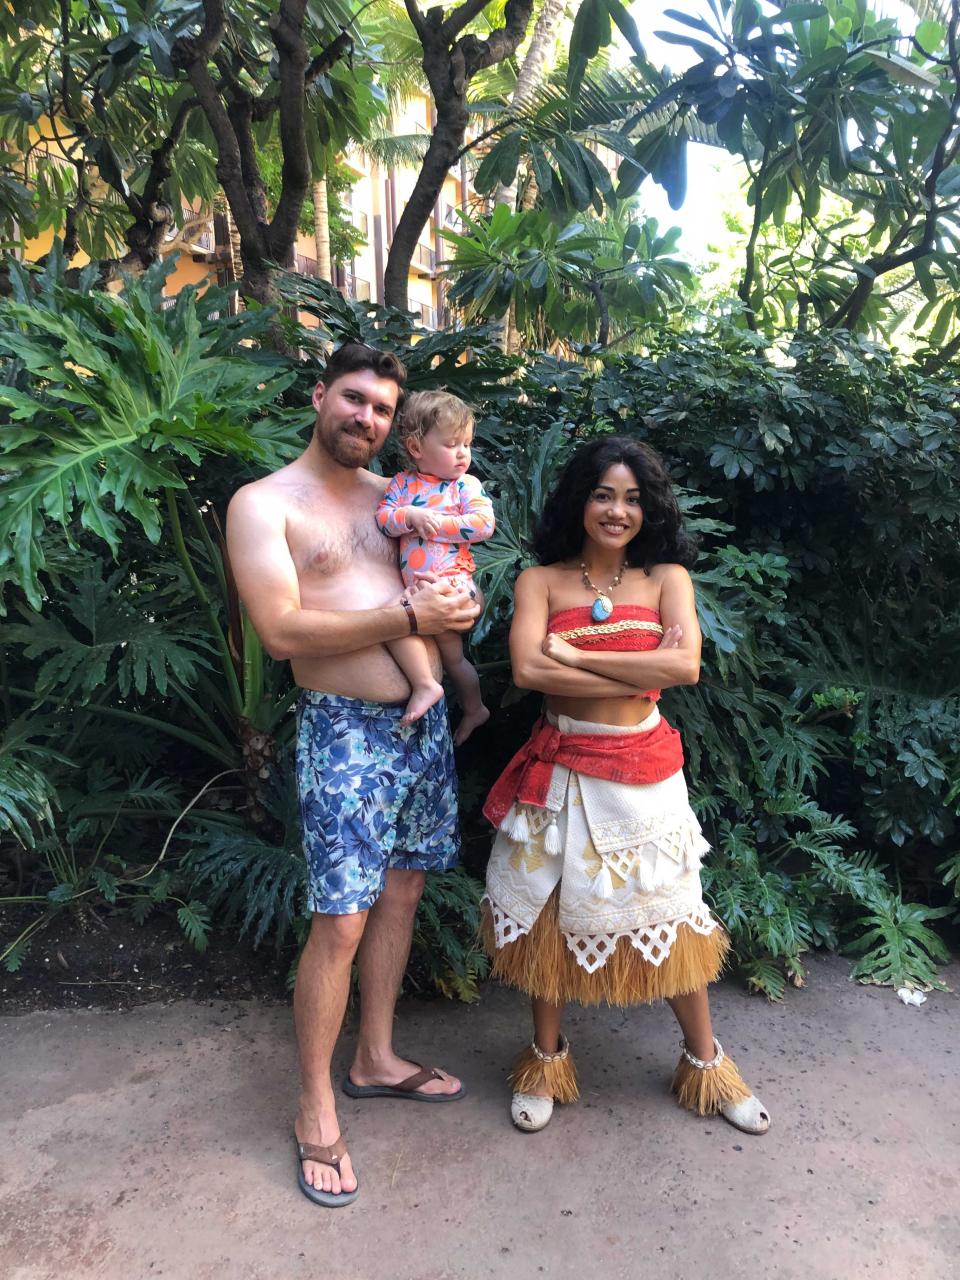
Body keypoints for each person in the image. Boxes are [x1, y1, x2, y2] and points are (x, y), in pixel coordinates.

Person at [226, 344, 479, 1208]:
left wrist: (456, 611)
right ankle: (315, 1107)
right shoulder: (264, 506)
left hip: (421, 726)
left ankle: (374, 1059)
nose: (365, 417)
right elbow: (282, 633)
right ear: (319, 397)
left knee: (402, 894)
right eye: (353, 399)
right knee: (340, 923)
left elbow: (445, 575)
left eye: (380, 408)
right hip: (342, 735)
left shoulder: (398, 496)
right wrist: (411, 613)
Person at [481, 435, 771, 1135]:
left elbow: (687, 670)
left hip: (645, 772)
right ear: (580, 498)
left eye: (634, 498)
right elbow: (529, 672)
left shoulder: (667, 578)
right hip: (563, 768)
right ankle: (546, 1061)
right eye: (604, 494)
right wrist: (634, 666)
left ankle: (707, 1065)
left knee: (672, 917)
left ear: (651, 509)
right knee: (548, 919)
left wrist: (571, 652)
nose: (618, 511)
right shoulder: (538, 582)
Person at [375, 389, 494, 745]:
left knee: (454, 659)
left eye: (467, 444)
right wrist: (409, 516)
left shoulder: (464, 486)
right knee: (396, 623)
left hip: (452, 582)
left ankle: (473, 706)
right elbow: (384, 520)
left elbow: (483, 524)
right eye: (453, 444)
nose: (463, 453)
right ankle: (430, 686)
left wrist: (437, 524)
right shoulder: (401, 485)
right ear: (416, 448)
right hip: (416, 589)